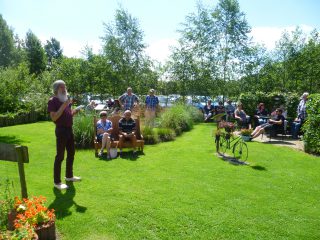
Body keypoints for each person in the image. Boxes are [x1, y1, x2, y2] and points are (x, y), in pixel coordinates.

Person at [47, 80, 81, 190]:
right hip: (61, 130)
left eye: (65, 86)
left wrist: (75, 110)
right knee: (60, 156)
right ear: (57, 89)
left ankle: (69, 176)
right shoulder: (53, 101)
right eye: (62, 87)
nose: (65, 89)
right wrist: (64, 105)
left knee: (71, 153)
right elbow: (54, 117)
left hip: (69, 129)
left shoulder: (65, 100)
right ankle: (57, 182)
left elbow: (68, 114)